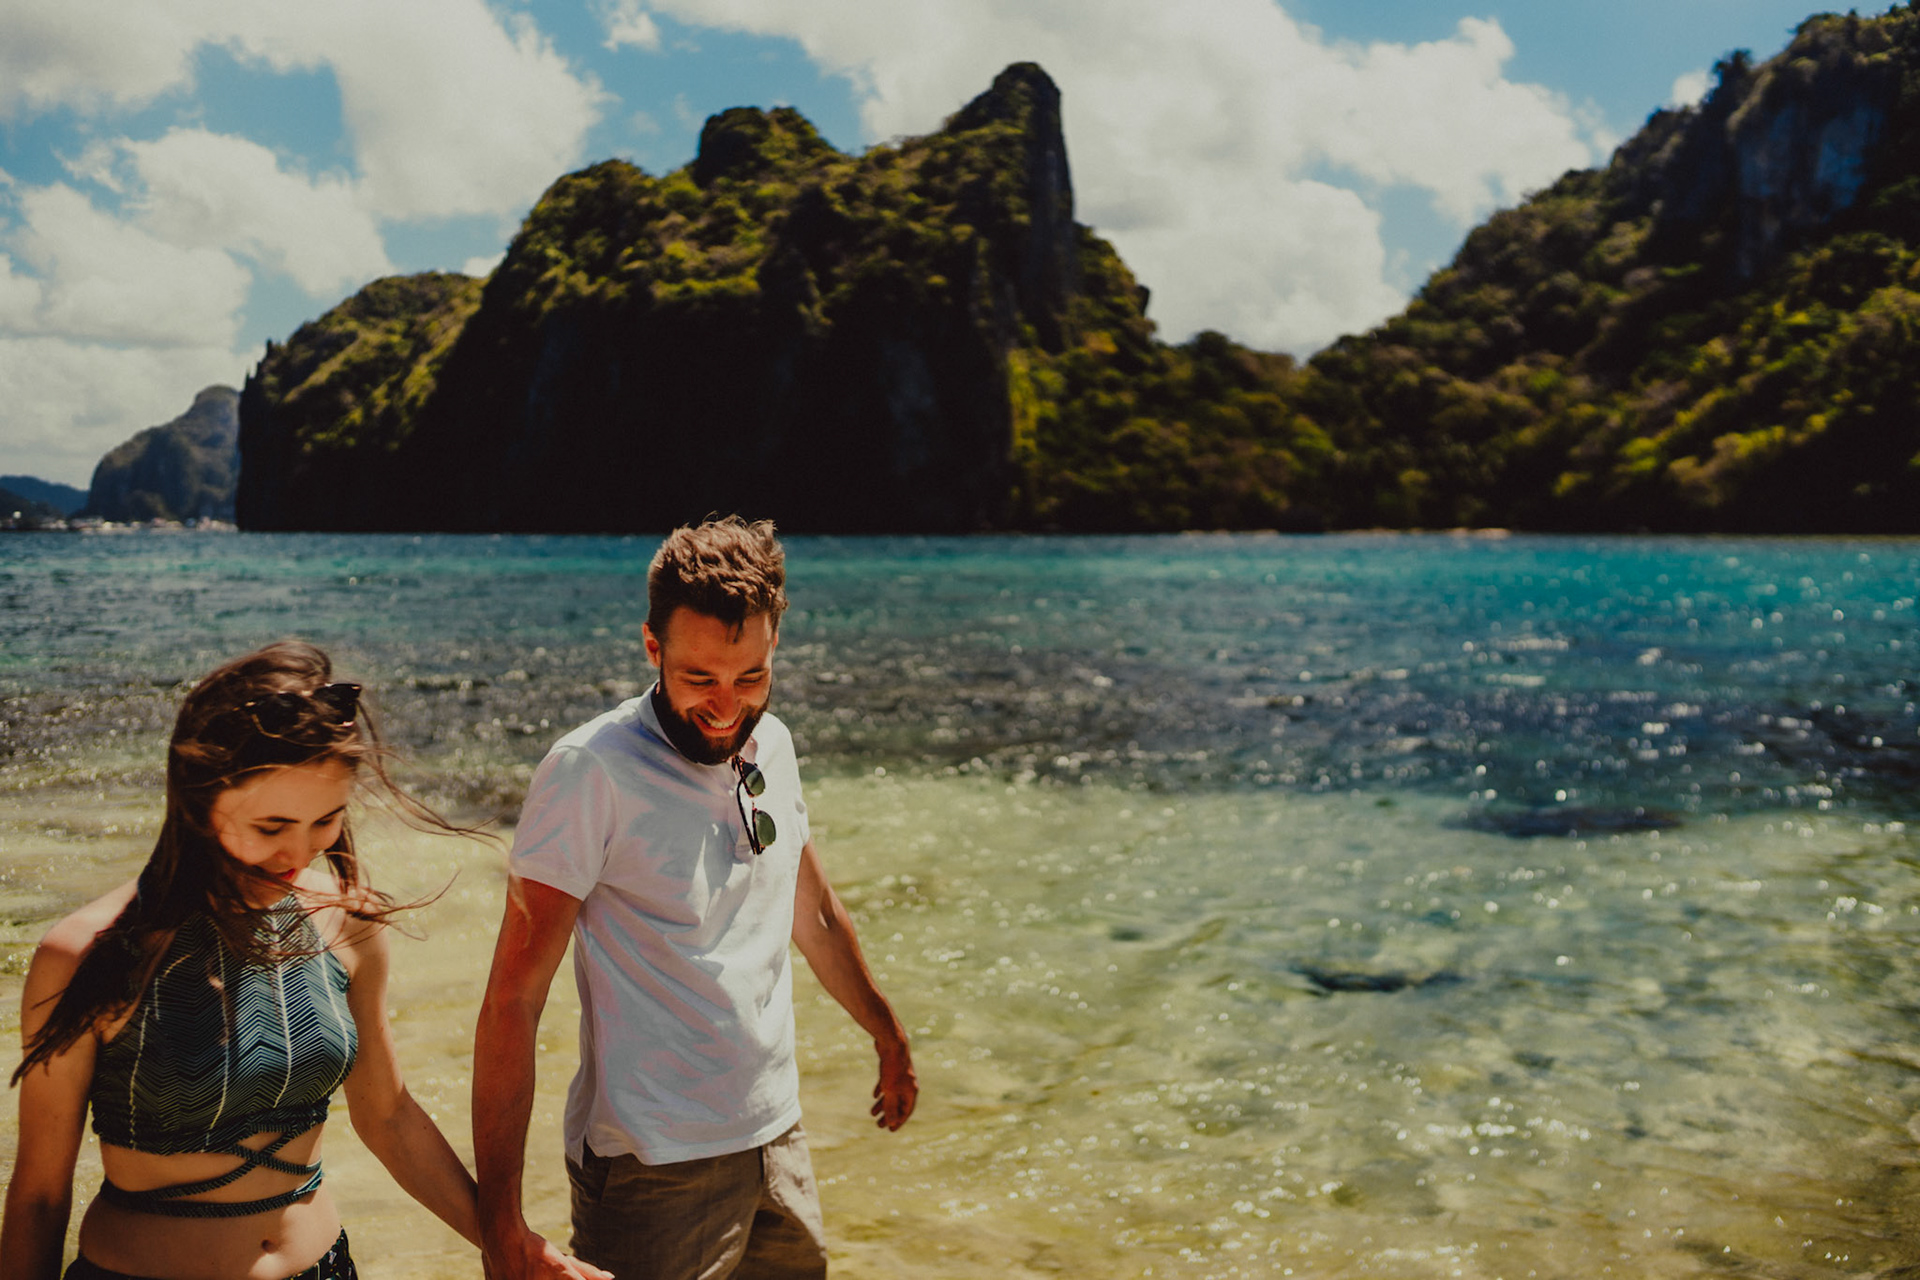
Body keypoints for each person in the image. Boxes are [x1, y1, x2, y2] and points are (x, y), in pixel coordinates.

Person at [473, 516, 917, 1280]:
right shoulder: (590, 771)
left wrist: (887, 1034)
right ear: (653, 647)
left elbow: (812, 911)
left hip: (778, 1139)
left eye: (751, 677)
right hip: (652, 1165)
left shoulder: (773, 744)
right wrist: (501, 1224)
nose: (726, 707)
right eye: (700, 678)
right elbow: (513, 999)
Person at [0, 641, 488, 1280]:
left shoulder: (348, 921)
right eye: (271, 827)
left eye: (326, 821)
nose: (300, 853)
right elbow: (40, 1194)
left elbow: (389, 1117)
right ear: (200, 799)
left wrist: (509, 1245)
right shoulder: (89, 953)